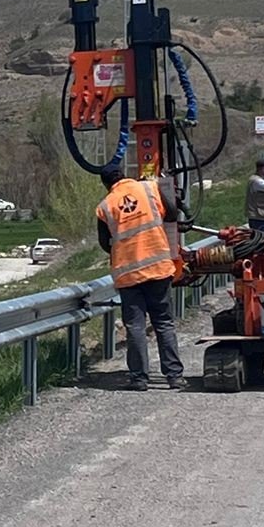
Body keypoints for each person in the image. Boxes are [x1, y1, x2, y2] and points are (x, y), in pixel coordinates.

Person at [94, 162, 184, 390]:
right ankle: (174, 376)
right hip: (158, 268)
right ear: (124, 174)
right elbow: (172, 213)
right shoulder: (150, 188)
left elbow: (105, 243)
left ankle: (139, 379)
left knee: (135, 326)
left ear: (106, 184)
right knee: (163, 322)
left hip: (128, 274)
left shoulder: (105, 206)